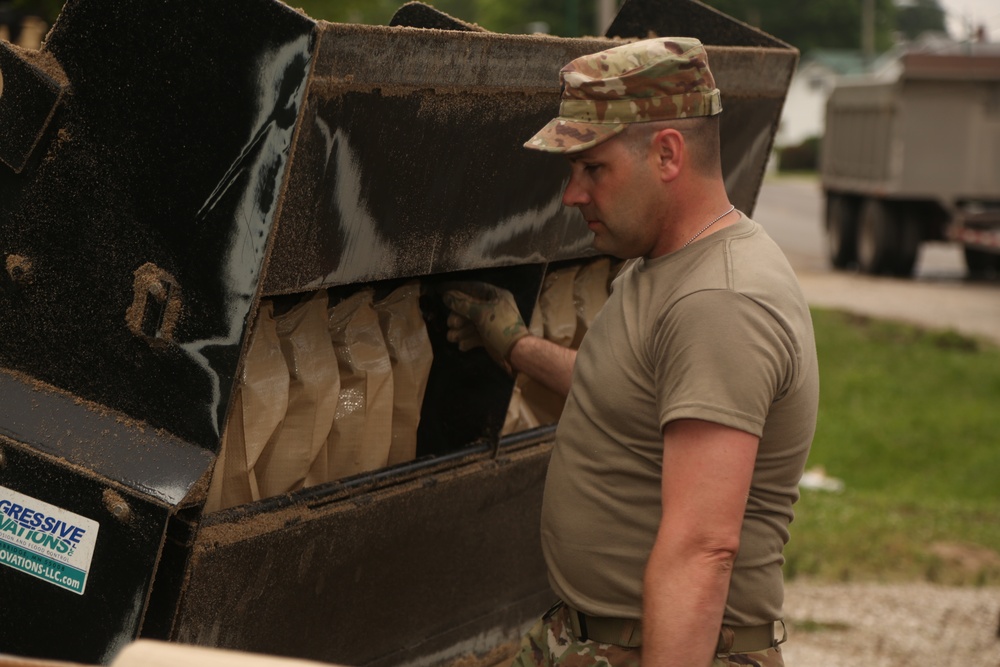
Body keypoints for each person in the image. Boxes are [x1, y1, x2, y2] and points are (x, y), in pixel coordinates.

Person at [443, 37, 819, 667]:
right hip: (589, 640)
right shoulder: (661, 265)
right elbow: (628, 390)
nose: (572, 195)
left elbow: (702, 549)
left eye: (593, 169)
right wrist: (514, 346)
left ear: (667, 154)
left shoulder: (719, 301)